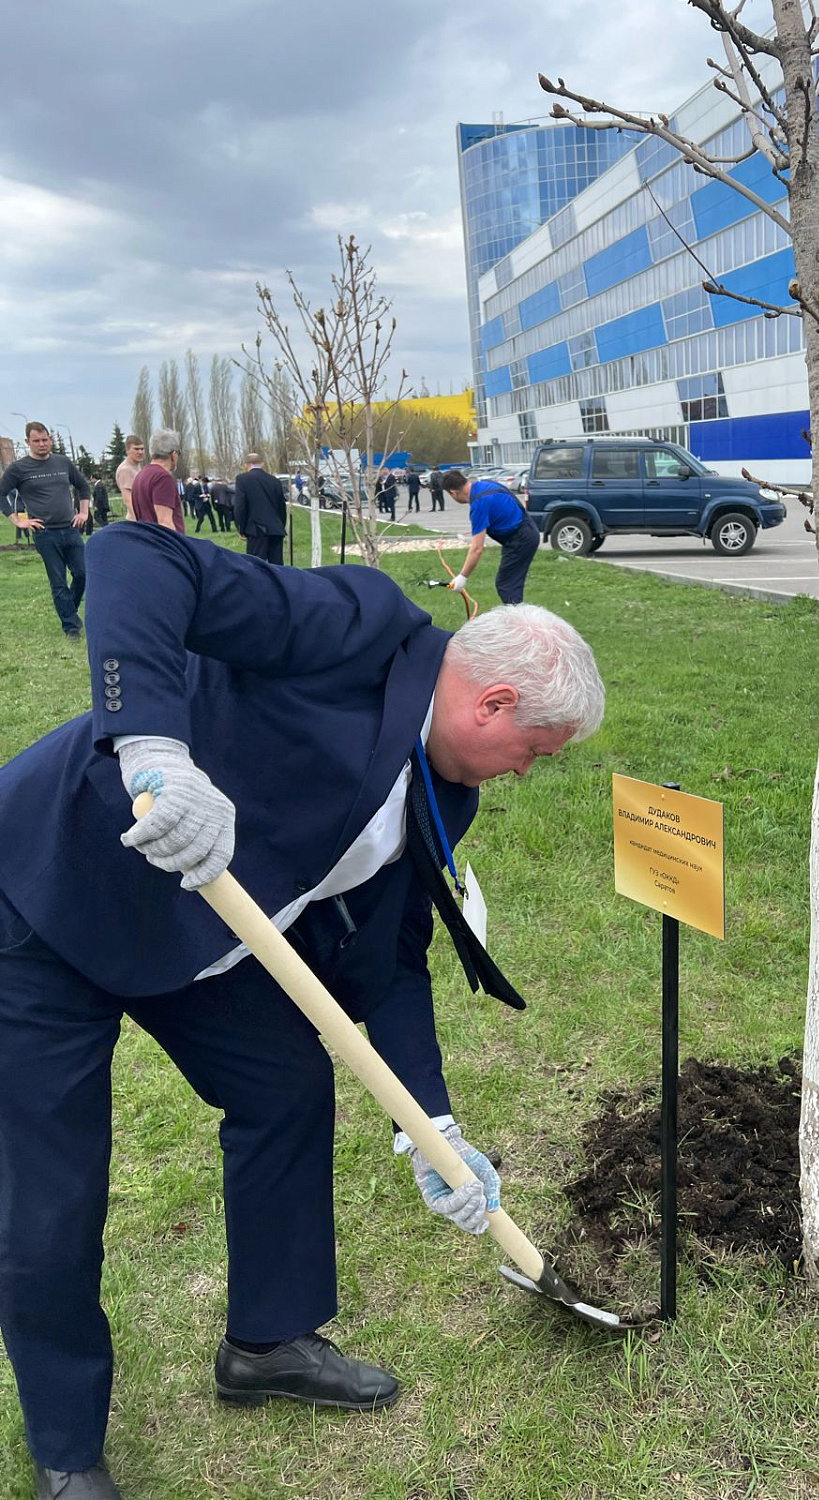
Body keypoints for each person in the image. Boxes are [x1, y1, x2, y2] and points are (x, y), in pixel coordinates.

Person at [0, 523, 604, 1500]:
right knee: (54, 1198)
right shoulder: (359, 629)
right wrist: (155, 749)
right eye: (532, 751)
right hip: (50, 898)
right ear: (492, 702)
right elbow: (132, 558)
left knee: (284, 1083)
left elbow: (399, 958)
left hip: (200, 932)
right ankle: (68, 1452)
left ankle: (268, 1342)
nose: (526, 773)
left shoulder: (449, 795)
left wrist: (433, 1129)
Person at [0, 421, 90, 638]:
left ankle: (69, 609)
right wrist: (18, 521)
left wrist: (84, 512)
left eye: (45, 439)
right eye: (36, 441)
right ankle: (71, 627)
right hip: (45, 533)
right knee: (58, 581)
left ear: (50, 439)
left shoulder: (63, 462)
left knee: (83, 574)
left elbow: (83, 485)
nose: (42, 444)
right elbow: (1, 495)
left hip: (70, 529)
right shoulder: (19, 468)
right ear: (27, 442)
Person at [442, 469, 541, 605]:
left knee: (507, 585)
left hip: (521, 539)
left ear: (453, 492)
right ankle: (517, 618)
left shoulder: (479, 505)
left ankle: (519, 623)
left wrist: (462, 577)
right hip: (527, 528)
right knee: (510, 583)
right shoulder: (486, 484)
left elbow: (477, 549)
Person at [234, 452, 287, 564]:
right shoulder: (275, 481)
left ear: (246, 465)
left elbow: (240, 507)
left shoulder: (242, 480)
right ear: (262, 463)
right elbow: (281, 507)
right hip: (276, 529)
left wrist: (241, 529)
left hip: (256, 530)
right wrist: (281, 525)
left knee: (256, 566)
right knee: (277, 567)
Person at [129, 431, 185, 532]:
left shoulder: (140, 476)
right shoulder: (163, 478)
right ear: (174, 454)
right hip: (163, 545)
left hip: (146, 541)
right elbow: (165, 523)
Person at [114, 436, 145, 521]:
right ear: (127, 451)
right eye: (136, 449)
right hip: (136, 520)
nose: (140, 452)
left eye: (142, 449)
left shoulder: (136, 466)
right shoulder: (125, 470)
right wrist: (141, 521)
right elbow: (128, 500)